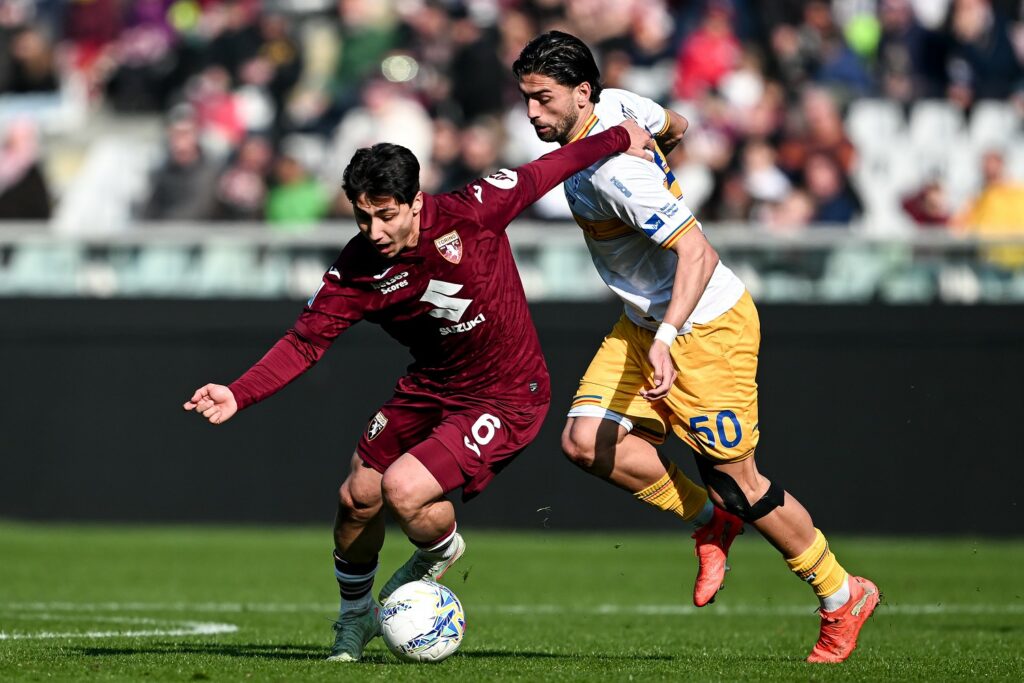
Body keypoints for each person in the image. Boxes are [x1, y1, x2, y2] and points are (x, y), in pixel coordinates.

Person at [183, 118, 653, 662]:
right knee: (357, 496)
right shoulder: (357, 270)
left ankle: (437, 551)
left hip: (507, 392)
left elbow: (547, 168)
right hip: (431, 384)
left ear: (415, 202)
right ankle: (355, 619)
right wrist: (239, 393)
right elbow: (304, 343)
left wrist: (620, 136)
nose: (374, 231)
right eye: (362, 217)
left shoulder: (472, 211)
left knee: (403, 490)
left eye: (386, 215)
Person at [513, 31, 879, 664]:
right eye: (525, 98)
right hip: (647, 319)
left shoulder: (616, 174)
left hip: (704, 328)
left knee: (741, 485)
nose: (531, 113)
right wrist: (663, 153)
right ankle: (710, 522)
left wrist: (666, 336)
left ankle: (842, 594)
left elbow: (698, 252)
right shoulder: (620, 106)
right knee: (584, 441)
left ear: (581, 93)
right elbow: (677, 125)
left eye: (543, 98)